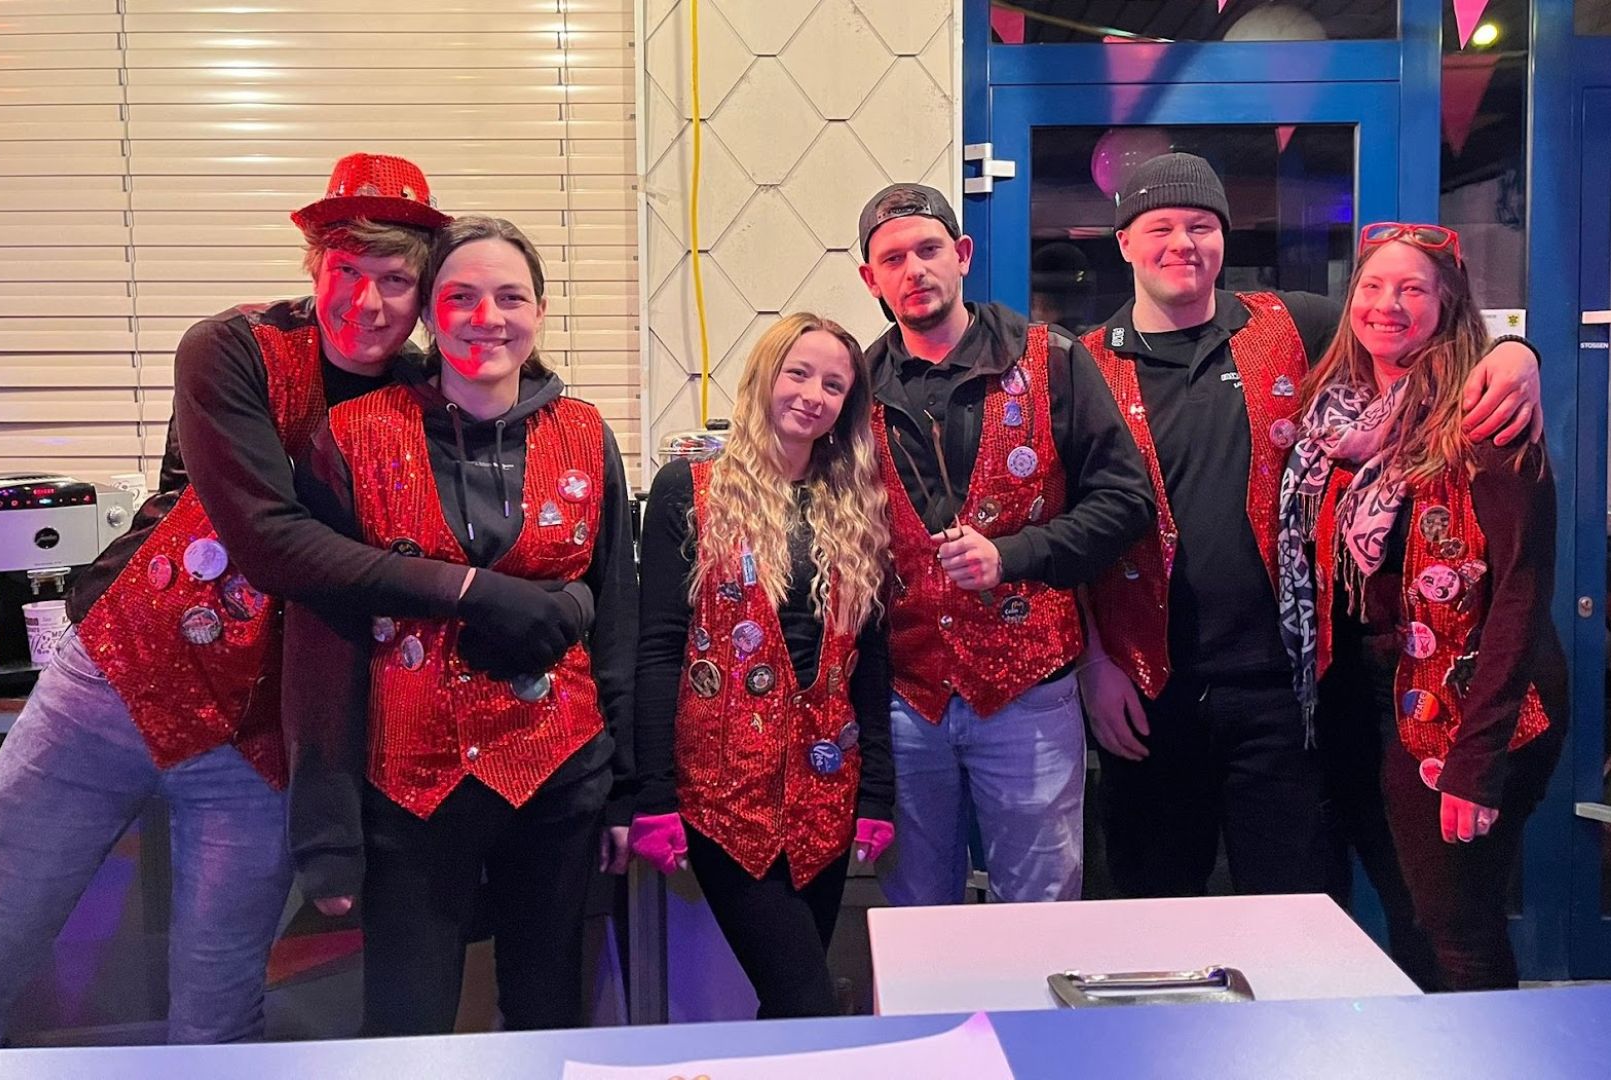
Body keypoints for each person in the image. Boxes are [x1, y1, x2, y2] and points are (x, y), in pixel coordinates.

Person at [0, 154, 568, 1046]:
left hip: (266, 735)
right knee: (1, 923)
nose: (367, 303)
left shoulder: (425, 397)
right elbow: (268, 543)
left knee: (219, 1008)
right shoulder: (230, 347)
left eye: (395, 281)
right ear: (314, 266)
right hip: (119, 683)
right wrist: (466, 591)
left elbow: (522, 409)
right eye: (347, 271)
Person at [1074, 153, 1543, 907]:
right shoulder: (1081, 366)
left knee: (1294, 912)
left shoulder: (1289, 324)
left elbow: (1410, 328)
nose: (1182, 243)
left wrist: (1517, 353)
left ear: (1224, 238)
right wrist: (1093, 666)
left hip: (1281, 694)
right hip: (1144, 689)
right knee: (1152, 909)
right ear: (1124, 242)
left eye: (1200, 225)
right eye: (1159, 227)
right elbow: (1067, 528)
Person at [282, 215, 636, 1036]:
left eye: (510, 297)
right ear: (430, 314)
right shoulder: (352, 436)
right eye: (461, 297)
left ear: (539, 310)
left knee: (548, 1012)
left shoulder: (585, 433)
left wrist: (627, 791)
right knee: (406, 1025)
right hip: (407, 784)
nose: (487, 318)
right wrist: (326, 827)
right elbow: (321, 639)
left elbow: (615, 612)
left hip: (559, 775)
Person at [1277, 223, 1565, 990]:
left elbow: (1520, 595)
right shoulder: (1331, 414)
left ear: (1448, 304)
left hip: (1464, 707)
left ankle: (1487, 1049)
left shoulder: (1488, 418)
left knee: (1457, 928)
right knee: (1406, 911)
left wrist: (1475, 760)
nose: (1387, 305)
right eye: (1372, 286)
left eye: (1412, 289)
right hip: (1363, 701)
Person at [854, 183, 1154, 906]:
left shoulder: (1053, 361)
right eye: (892, 259)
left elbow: (1126, 502)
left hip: (1029, 691)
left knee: (1040, 908)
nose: (913, 269)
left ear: (962, 255)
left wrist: (1013, 555)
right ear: (870, 279)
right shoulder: (853, 386)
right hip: (905, 697)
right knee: (916, 912)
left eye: (928, 249)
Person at [630, 313, 895, 1018]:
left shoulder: (857, 501)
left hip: (826, 792)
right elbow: (659, 646)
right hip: (722, 791)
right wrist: (652, 794)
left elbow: (870, 661)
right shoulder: (689, 487)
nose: (813, 395)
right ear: (763, 377)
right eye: (798, 373)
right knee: (805, 996)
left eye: (833, 385)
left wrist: (876, 795)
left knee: (790, 1003)